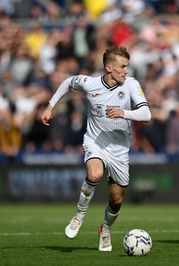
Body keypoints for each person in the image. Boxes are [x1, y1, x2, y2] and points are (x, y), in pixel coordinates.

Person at [40, 45, 151, 251]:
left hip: (119, 149)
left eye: (127, 66)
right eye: (123, 66)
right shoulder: (90, 83)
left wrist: (123, 113)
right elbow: (67, 82)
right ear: (109, 67)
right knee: (95, 174)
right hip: (95, 141)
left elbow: (146, 114)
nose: (126, 71)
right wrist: (50, 106)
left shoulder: (131, 85)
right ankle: (79, 215)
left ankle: (105, 230)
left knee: (116, 199)